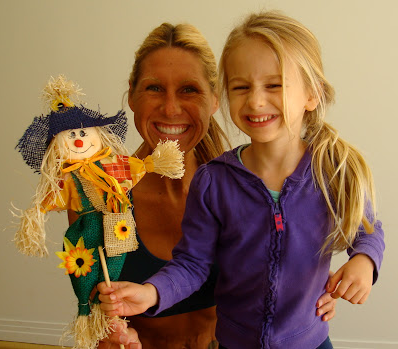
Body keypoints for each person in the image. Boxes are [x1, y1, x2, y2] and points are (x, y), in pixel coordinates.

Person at [95, 18, 340, 349]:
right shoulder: (99, 193)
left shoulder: (237, 186)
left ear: (214, 100)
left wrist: (317, 289)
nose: (170, 108)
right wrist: (110, 332)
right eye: (154, 88)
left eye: (189, 89)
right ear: (132, 95)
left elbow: (358, 232)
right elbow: (93, 308)